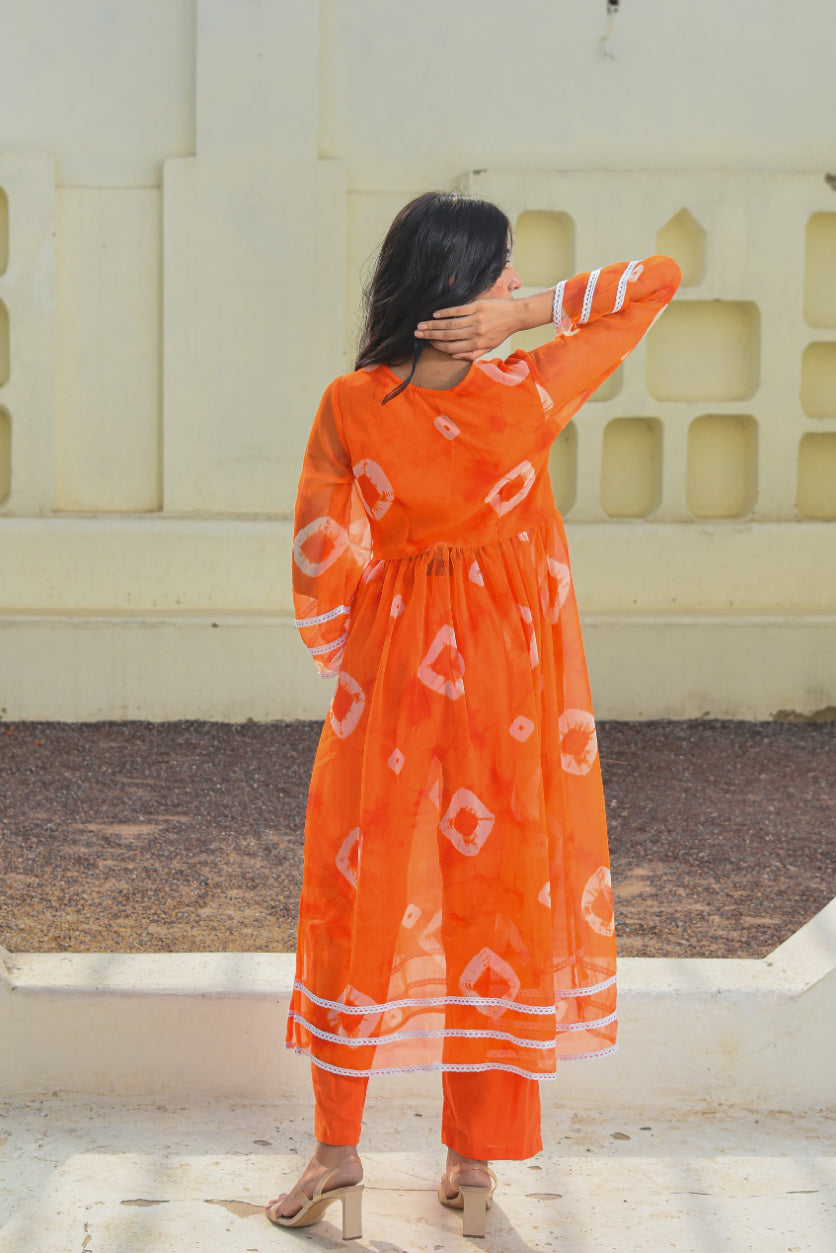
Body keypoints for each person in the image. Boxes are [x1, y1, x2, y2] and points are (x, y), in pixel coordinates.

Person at [265, 191, 681, 1239]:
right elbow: (654, 284)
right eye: (497, 275)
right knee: (493, 892)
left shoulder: (354, 401)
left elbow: (321, 553)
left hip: (391, 674)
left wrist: (362, 637)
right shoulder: (530, 386)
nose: (507, 293)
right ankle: (471, 1166)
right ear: (450, 285)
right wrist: (536, 318)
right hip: (505, 683)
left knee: (362, 886)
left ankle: (336, 1150)